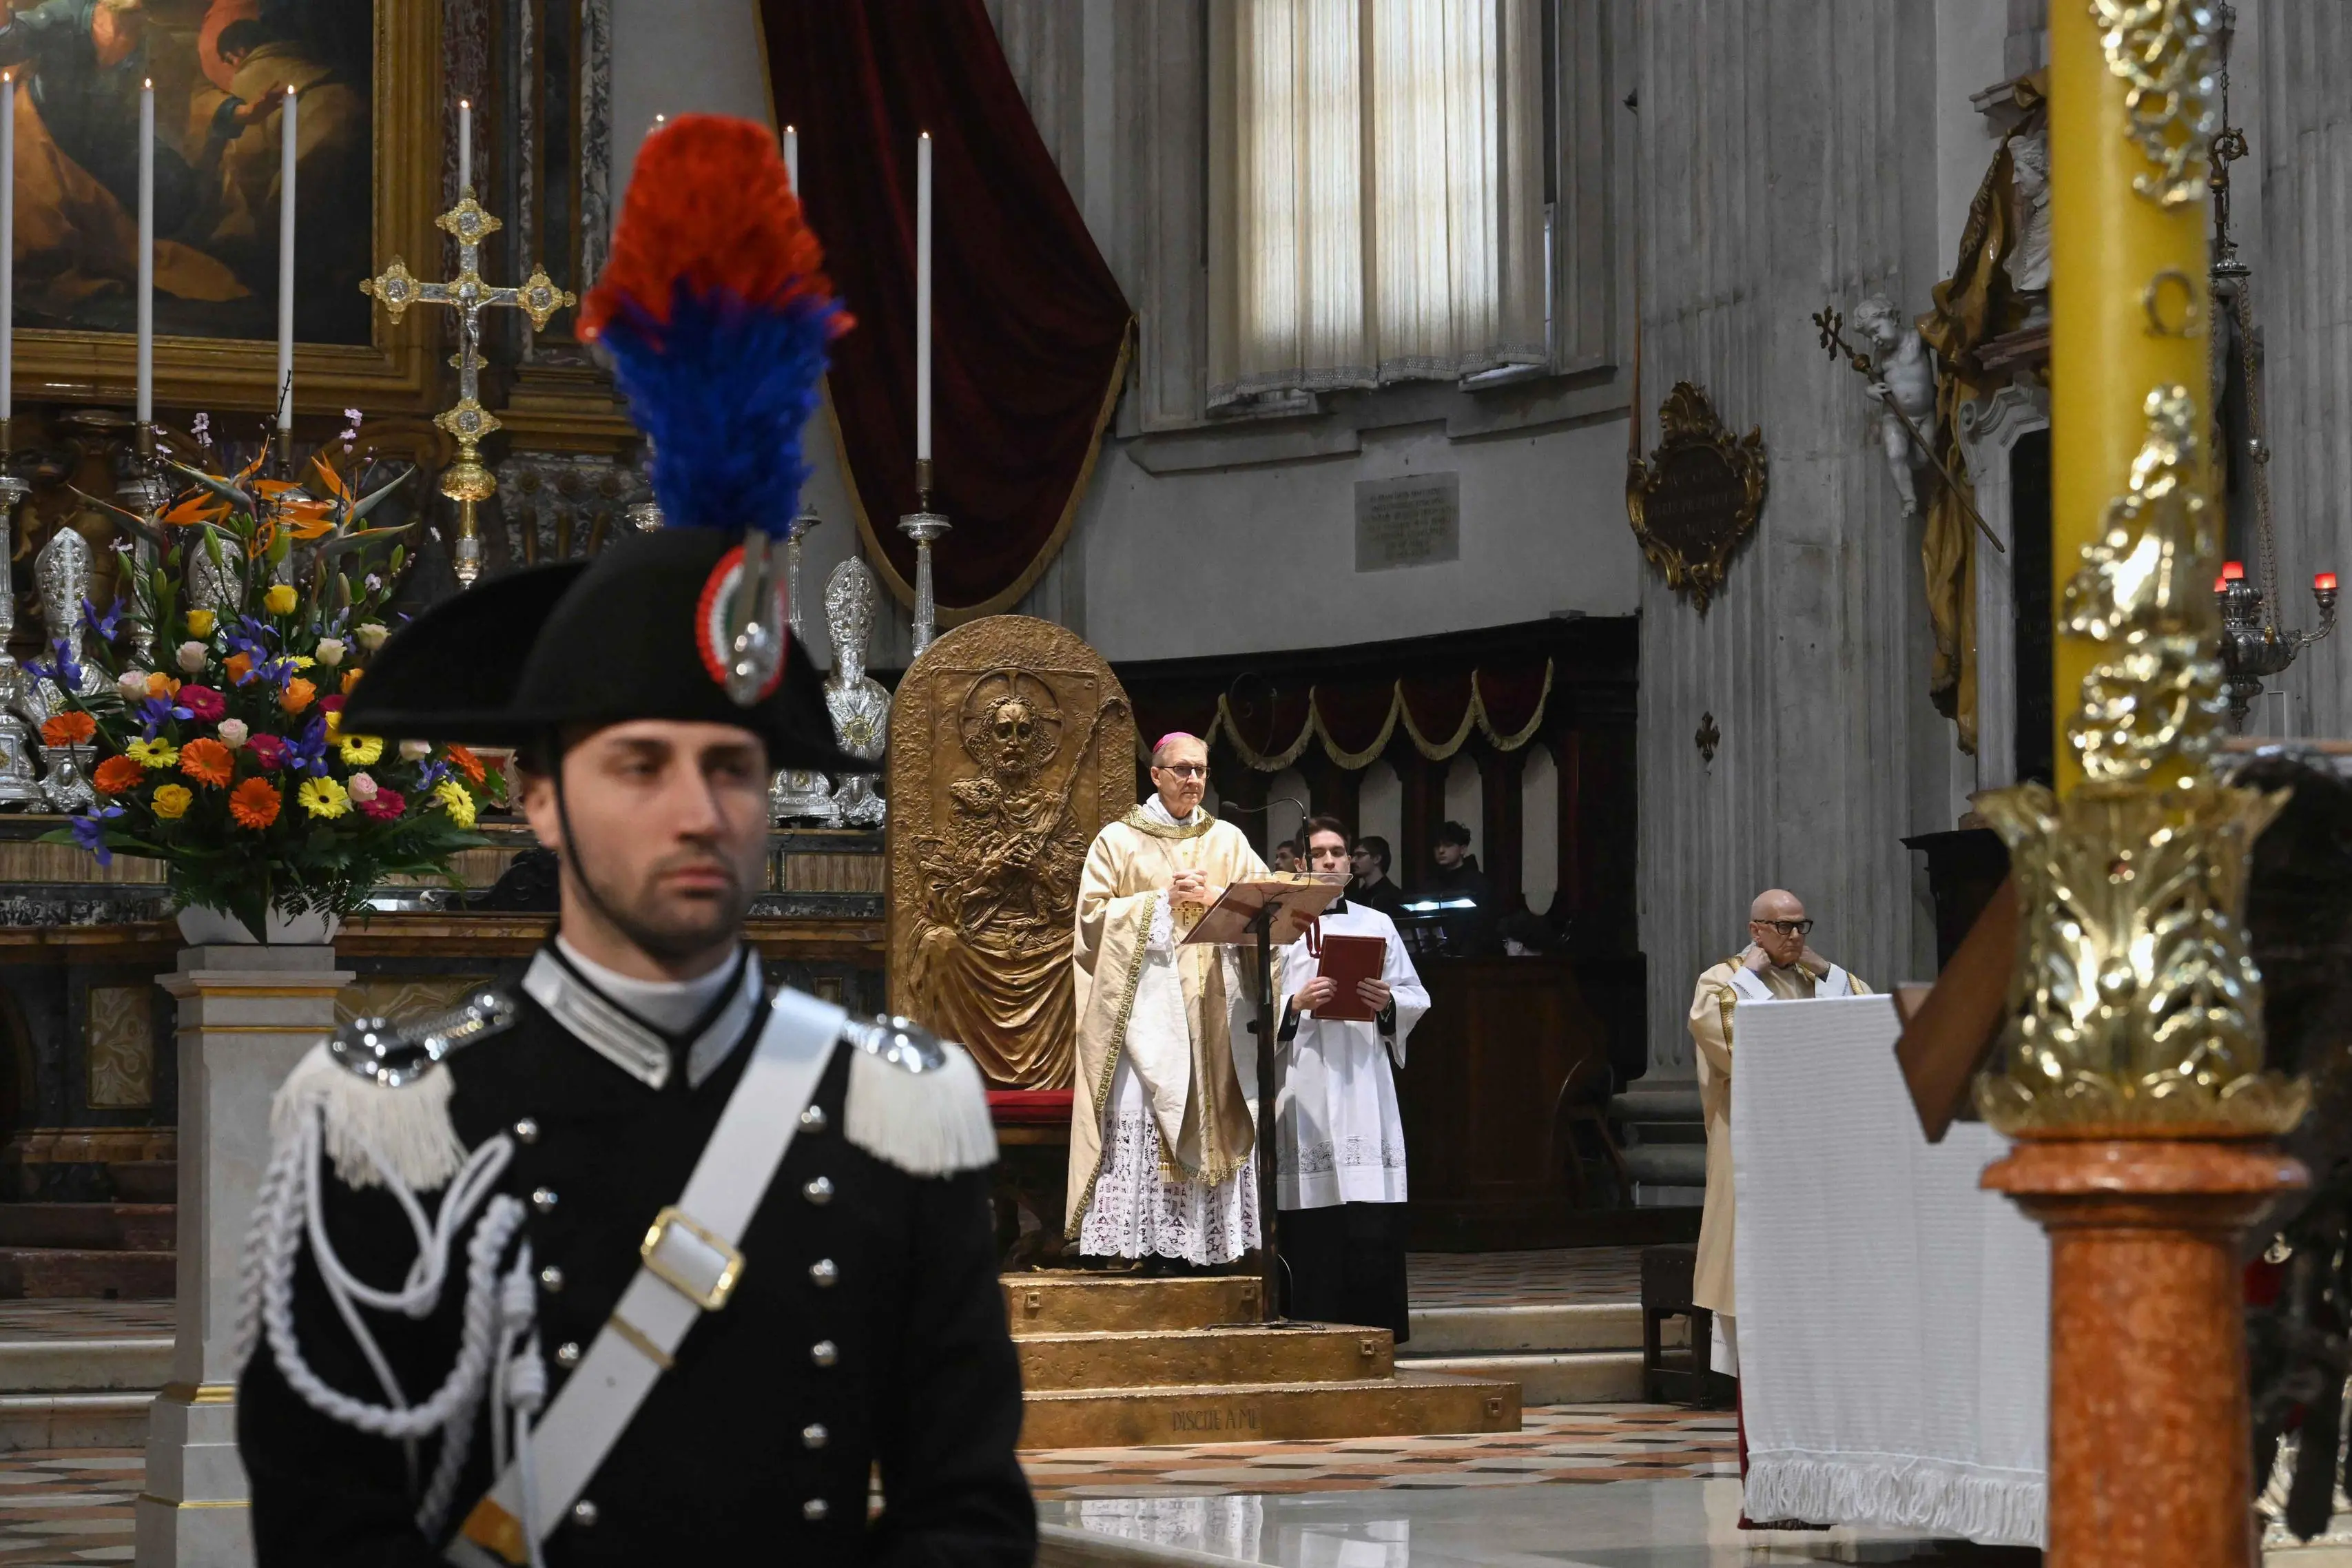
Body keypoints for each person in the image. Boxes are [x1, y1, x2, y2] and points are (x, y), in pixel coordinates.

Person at [233, 116, 1033, 1567]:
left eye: (733, 767)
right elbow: (330, 1530)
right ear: (538, 797)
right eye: (640, 765)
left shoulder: (892, 1108)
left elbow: (964, 1512)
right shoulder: (391, 1121)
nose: (696, 809)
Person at [1687, 887, 1870, 1527]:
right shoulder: (1722, 982)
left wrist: (1823, 968)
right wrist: (1753, 974)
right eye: (1782, 927)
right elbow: (1731, 1043)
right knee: (1762, 1336)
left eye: (1801, 927)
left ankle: (1823, 1490)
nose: (1795, 937)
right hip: (1755, 1164)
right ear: (1755, 928)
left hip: (1818, 1173)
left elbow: (1865, 1029)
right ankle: (1772, 1491)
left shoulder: (1822, 980)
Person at [1067, 732, 1269, 1269]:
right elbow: (1091, 921)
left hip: (1215, 1013)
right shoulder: (1118, 840)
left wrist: (1220, 900)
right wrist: (1160, 903)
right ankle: (1144, 1246)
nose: (1193, 780)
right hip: (1146, 1018)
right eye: (1182, 769)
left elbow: (1265, 912)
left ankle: (1204, 1246)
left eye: (1201, 770)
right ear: (1155, 775)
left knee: (1215, 1117)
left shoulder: (1228, 840)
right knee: (1147, 1117)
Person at [1273, 816, 1429, 1339]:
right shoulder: (1279, 928)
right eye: (1320, 853)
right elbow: (1252, 1003)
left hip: (1364, 1079)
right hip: (1307, 1077)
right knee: (1314, 1210)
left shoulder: (1376, 923)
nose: (1331, 860)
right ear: (1301, 864)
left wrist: (1389, 1002)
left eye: (1339, 852)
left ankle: (1374, 1330)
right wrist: (1294, 1004)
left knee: (1368, 1206)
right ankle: (1311, 1324)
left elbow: (1415, 995)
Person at [1427, 820, 1494, 952]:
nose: (1441, 850)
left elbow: (1485, 924)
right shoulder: (1431, 883)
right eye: (1437, 846)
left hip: (1471, 955)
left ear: (1463, 849)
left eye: (1448, 845)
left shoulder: (1478, 883)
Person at [1348, 835, 1406, 920]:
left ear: (1377, 859)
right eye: (1354, 856)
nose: (1352, 861)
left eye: (1360, 855)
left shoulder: (1393, 898)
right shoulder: (1357, 897)